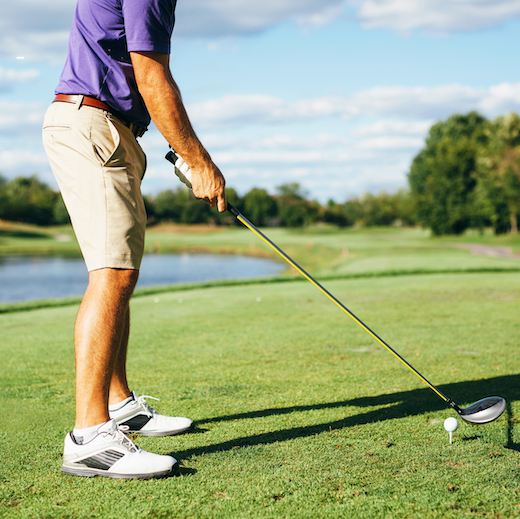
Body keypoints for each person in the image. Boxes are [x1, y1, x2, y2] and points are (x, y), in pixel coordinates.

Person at [42, 0, 226, 479]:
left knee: (121, 269)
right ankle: (90, 437)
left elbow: (132, 71)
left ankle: (119, 404)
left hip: (109, 126)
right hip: (95, 124)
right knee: (114, 271)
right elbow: (151, 74)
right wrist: (200, 160)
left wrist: (180, 151)